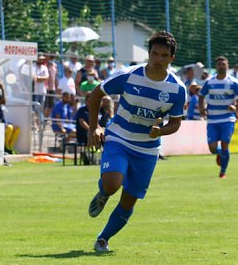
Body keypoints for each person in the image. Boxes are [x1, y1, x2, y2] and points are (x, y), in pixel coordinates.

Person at [86, 31, 187, 253]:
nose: (158, 60)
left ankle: (103, 239)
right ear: (148, 54)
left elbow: (176, 123)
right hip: (119, 138)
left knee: (129, 200)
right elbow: (95, 95)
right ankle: (103, 192)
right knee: (112, 183)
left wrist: (160, 131)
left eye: (163, 55)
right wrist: (94, 127)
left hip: (147, 149)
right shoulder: (128, 75)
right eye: (154, 54)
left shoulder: (177, 88)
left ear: (172, 58)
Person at [198, 56, 238, 178]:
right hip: (212, 119)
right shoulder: (210, 82)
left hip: (227, 118)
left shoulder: (233, 82)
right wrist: (201, 109)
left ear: (227, 66)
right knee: (212, 148)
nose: (221, 66)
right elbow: (201, 96)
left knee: (225, 143)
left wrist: (235, 107)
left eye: (223, 64)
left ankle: (223, 172)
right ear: (216, 66)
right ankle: (221, 154)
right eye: (219, 64)